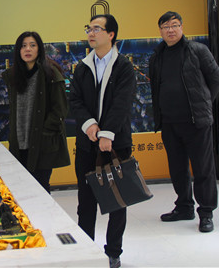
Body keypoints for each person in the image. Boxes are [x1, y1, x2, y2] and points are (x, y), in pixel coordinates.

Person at [70, 14, 136, 268]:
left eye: (97, 28)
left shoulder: (124, 66)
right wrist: (89, 125)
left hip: (116, 144)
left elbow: (122, 103)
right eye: (89, 28)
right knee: (85, 202)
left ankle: (113, 252)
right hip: (87, 144)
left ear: (111, 35)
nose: (91, 32)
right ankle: (86, 249)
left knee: (118, 201)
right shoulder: (82, 67)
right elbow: (75, 100)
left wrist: (107, 133)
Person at [148, 11, 219, 233]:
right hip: (169, 122)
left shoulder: (197, 50)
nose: (170, 30)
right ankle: (184, 207)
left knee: (203, 168)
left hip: (195, 121)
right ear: (160, 31)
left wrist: (204, 103)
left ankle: (206, 212)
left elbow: (216, 79)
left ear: (181, 27)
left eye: (174, 25)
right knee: (177, 168)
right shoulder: (157, 56)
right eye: (166, 27)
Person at [2, 31, 70, 192]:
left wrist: (45, 132)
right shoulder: (13, 76)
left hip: (42, 143)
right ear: (18, 51)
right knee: (21, 189)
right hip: (19, 142)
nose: (28, 49)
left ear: (39, 49)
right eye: (23, 46)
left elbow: (60, 110)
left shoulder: (51, 74)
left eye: (32, 45)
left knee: (41, 187)